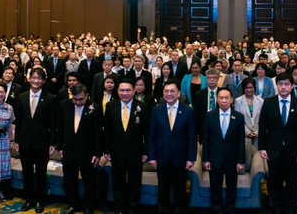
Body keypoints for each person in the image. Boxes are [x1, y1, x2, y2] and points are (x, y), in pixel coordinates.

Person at [258, 76, 297, 214]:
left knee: (292, 183)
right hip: (273, 150)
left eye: (286, 84)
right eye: (280, 84)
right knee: (275, 183)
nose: (283, 87)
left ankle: (290, 209)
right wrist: (262, 147)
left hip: (294, 152)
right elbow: (262, 126)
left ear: (291, 86)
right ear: (277, 86)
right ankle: (277, 209)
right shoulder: (268, 103)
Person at [148, 80, 196, 213]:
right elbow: (151, 135)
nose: (169, 94)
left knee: (180, 188)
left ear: (178, 93)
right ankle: (163, 209)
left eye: (172, 91)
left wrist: (191, 158)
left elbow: (192, 136)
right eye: (166, 91)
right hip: (161, 157)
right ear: (163, 93)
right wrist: (152, 156)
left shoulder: (188, 111)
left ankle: (179, 209)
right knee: (163, 187)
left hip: (181, 157)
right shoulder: (156, 110)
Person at [104, 79, 149, 214]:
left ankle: (132, 206)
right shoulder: (111, 106)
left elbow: (147, 131)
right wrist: (106, 150)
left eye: (128, 90)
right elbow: (107, 130)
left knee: (135, 180)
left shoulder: (143, 106)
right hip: (116, 151)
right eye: (122, 90)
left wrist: (146, 151)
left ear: (134, 91)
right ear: (117, 91)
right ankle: (119, 206)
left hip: (136, 151)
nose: (125, 93)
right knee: (118, 180)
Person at [55, 84, 102, 214]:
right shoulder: (65, 105)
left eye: (81, 99)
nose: (77, 102)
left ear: (87, 96)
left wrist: (97, 153)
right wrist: (60, 146)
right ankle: (73, 204)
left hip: (87, 152)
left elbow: (98, 133)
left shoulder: (95, 108)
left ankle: (88, 206)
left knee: (89, 181)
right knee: (69, 179)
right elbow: (61, 128)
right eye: (75, 99)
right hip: (68, 150)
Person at [13, 68, 53, 213]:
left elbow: (52, 123)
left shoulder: (49, 98)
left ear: (43, 81)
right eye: (33, 78)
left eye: (39, 78)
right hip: (24, 142)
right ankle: (28, 200)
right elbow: (19, 121)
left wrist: (52, 143)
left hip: (42, 143)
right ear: (29, 79)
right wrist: (17, 140)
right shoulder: (22, 97)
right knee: (27, 173)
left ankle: (40, 201)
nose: (36, 81)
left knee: (41, 173)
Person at [201, 88, 246, 214]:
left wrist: (240, 161)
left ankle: (230, 209)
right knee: (215, 187)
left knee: (232, 187)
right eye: (221, 98)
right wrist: (206, 159)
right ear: (217, 100)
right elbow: (206, 139)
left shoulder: (238, 117)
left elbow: (241, 141)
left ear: (231, 100)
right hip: (215, 158)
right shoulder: (210, 116)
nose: (224, 100)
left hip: (232, 159)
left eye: (227, 98)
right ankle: (216, 208)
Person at [233, 82, 263, 147]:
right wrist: (248, 132)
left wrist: (256, 132)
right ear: (243, 89)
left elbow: (263, 119)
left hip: (258, 135)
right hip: (244, 135)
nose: (249, 90)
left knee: (257, 156)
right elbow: (238, 120)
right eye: (247, 88)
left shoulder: (261, 101)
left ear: (254, 88)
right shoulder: (238, 101)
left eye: (251, 87)